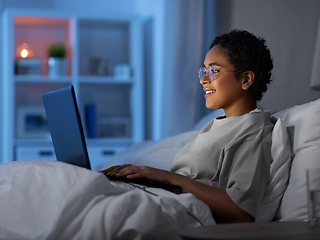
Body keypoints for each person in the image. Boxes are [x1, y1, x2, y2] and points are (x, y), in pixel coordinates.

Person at [101, 29, 274, 223]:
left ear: (246, 79)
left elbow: (241, 211)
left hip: (183, 210)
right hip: (164, 195)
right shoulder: (219, 124)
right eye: (204, 70)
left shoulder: (253, 131)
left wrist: (168, 178)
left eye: (214, 71)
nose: (203, 79)